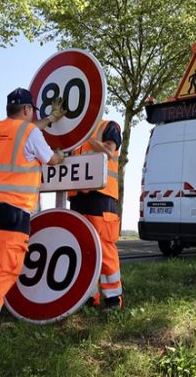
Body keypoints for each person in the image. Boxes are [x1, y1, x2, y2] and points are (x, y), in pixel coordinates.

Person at [0, 87, 66, 334]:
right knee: (5, 264)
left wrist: (49, 119)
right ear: (27, 110)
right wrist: (60, 155)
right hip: (15, 206)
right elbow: (49, 158)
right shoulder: (29, 131)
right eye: (32, 112)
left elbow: (27, 132)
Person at [68, 119, 123, 310]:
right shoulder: (71, 132)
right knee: (82, 249)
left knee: (105, 248)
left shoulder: (108, 126)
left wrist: (88, 138)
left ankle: (113, 298)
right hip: (77, 196)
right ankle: (89, 296)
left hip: (102, 195)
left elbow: (109, 151)